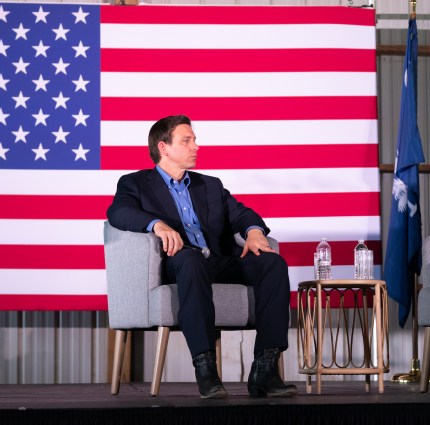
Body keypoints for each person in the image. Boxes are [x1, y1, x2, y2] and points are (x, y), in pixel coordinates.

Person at [106, 115, 297, 399]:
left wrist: (255, 231)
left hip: (217, 260)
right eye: (187, 140)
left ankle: (265, 369)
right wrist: (156, 224)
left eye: (194, 139)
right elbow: (118, 212)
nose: (196, 146)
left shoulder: (209, 185)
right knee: (192, 261)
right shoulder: (136, 183)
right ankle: (206, 368)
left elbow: (240, 213)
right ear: (164, 147)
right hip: (178, 261)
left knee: (273, 263)